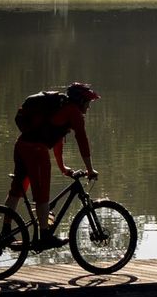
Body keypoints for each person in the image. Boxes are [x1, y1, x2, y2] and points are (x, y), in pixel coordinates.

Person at [6, 81, 100, 249]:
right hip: (36, 151)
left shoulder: (60, 107)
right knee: (42, 196)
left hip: (21, 145)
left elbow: (56, 142)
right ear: (80, 101)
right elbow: (82, 140)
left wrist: (63, 167)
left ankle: (5, 232)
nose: (88, 107)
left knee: (17, 190)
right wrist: (90, 169)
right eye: (87, 102)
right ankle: (45, 236)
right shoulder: (74, 113)